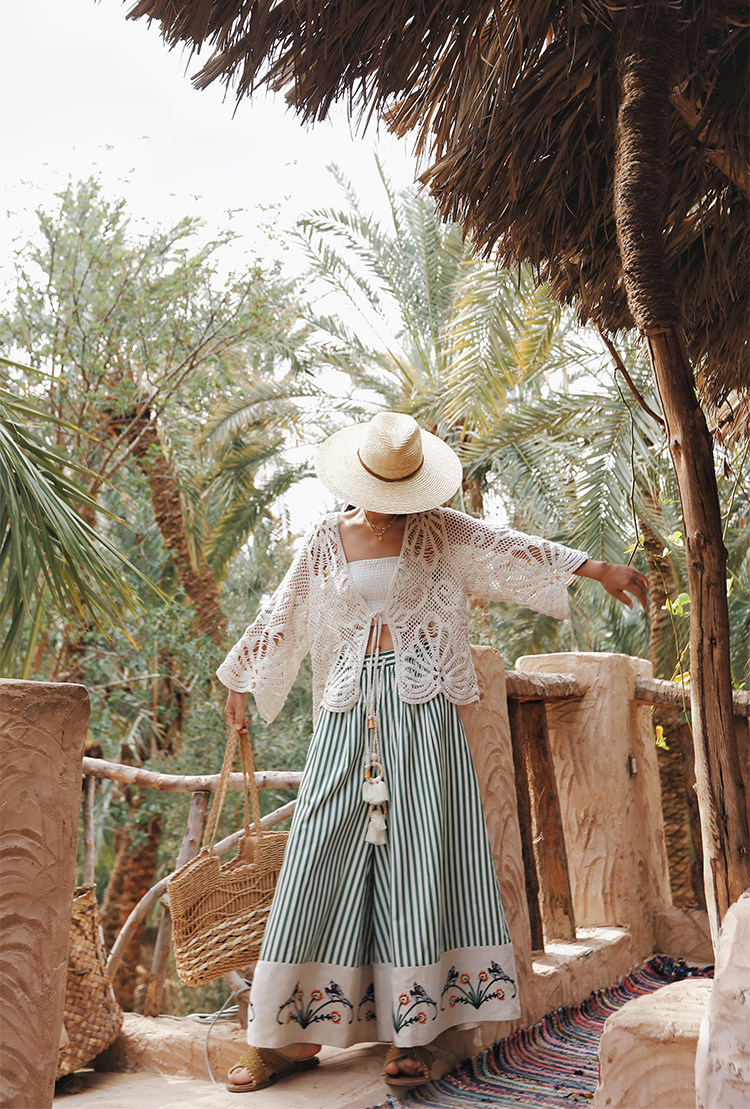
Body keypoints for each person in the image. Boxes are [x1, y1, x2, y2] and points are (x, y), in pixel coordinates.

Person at [217, 412, 648, 1094]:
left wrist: (596, 569)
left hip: (422, 709)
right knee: (316, 850)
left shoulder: (438, 529)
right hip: (347, 712)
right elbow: (285, 611)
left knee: (418, 855)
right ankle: (285, 1035)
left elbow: (509, 548)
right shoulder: (326, 538)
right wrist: (240, 678)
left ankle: (413, 1029)